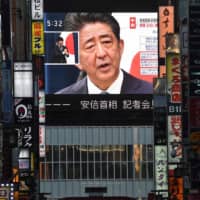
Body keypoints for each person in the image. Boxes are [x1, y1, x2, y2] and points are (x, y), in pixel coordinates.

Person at [55, 13, 153, 94]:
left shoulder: (151, 93)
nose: (101, 54)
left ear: (120, 47)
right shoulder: (61, 100)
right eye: (90, 46)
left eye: (106, 42)